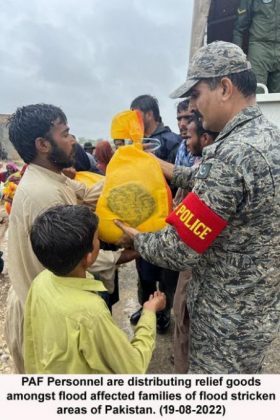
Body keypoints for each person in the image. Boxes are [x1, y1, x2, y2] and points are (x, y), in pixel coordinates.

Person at [116, 41, 280, 373]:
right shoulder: (268, 138)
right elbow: (222, 186)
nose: (192, 108)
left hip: (224, 322)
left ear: (224, 87)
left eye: (195, 95)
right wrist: (164, 167)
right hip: (257, 312)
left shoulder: (230, 153)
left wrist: (137, 238)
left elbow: (179, 249)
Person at [5, 103, 137, 373]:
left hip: (43, 301)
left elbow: (90, 192)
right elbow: (81, 257)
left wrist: (131, 170)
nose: (73, 140)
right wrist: (137, 250)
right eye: (65, 134)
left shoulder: (53, 178)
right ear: (43, 144)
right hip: (39, 313)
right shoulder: (45, 194)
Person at [24, 204, 165, 374]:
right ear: (89, 256)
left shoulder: (40, 281)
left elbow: (31, 340)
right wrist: (149, 312)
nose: (100, 241)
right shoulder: (90, 314)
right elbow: (132, 368)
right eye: (98, 238)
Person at [233, 0, 280, 92]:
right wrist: (236, 57)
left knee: (278, 97)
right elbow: (239, 29)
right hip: (259, 47)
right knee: (257, 91)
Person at [130, 94, 181, 163]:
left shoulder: (172, 141)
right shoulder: (133, 143)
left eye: (135, 115)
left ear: (149, 115)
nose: (132, 120)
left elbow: (177, 171)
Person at [174, 99, 195, 167]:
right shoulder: (181, 147)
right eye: (179, 119)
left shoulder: (206, 146)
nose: (182, 124)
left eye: (187, 118)